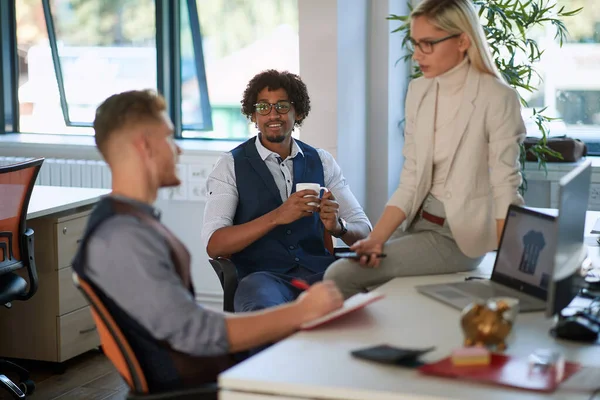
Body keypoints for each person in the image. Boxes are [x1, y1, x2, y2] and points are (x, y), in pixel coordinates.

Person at [71, 89, 344, 392]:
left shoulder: (132, 223)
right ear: (145, 146)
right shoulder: (123, 236)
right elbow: (194, 332)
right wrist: (299, 312)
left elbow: (183, 320)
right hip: (202, 384)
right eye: (168, 138)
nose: (177, 151)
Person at [324, 0, 526, 299]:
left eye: (428, 44)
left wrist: (508, 267)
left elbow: (505, 185)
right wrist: (376, 239)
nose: (417, 55)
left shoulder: (497, 97)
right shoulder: (420, 91)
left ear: (462, 41)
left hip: (456, 237)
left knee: (338, 274)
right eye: (415, 43)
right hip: (413, 224)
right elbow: (411, 178)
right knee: (364, 272)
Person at [201, 69, 371, 313]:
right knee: (263, 313)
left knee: (369, 305)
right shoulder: (230, 165)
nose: (273, 115)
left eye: (282, 106)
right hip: (263, 278)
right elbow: (215, 245)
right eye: (263, 107)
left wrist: (338, 227)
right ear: (253, 115)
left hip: (320, 274)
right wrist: (277, 216)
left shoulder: (321, 161)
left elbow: (365, 231)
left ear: (298, 112)